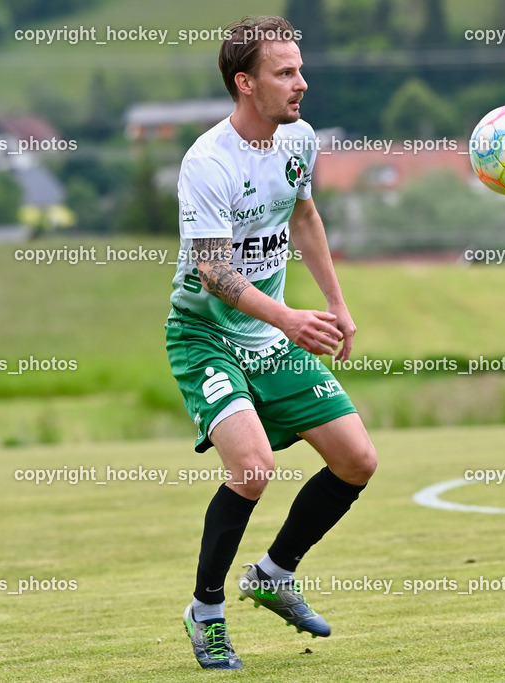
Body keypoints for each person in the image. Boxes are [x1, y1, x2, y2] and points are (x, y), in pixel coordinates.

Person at [165, 15, 377, 670]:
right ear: (245, 84)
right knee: (254, 469)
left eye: (300, 68)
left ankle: (274, 574)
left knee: (356, 459)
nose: (301, 83)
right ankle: (206, 611)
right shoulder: (207, 162)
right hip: (206, 335)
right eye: (285, 72)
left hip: (269, 331)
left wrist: (337, 304)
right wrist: (290, 318)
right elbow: (214, 271)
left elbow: (305, 215)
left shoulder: (299, 141)